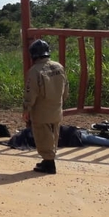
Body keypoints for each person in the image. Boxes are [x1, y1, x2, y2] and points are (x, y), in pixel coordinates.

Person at [23, 39, 69, 174]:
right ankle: (48, 158)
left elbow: (31, 93)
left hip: (41, 110)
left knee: (43, 136)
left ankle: (49, 163)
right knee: (54, 134)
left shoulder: (35, 70)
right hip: (56, 108)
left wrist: (26, 109)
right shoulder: (58, 67)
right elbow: (66, 89)